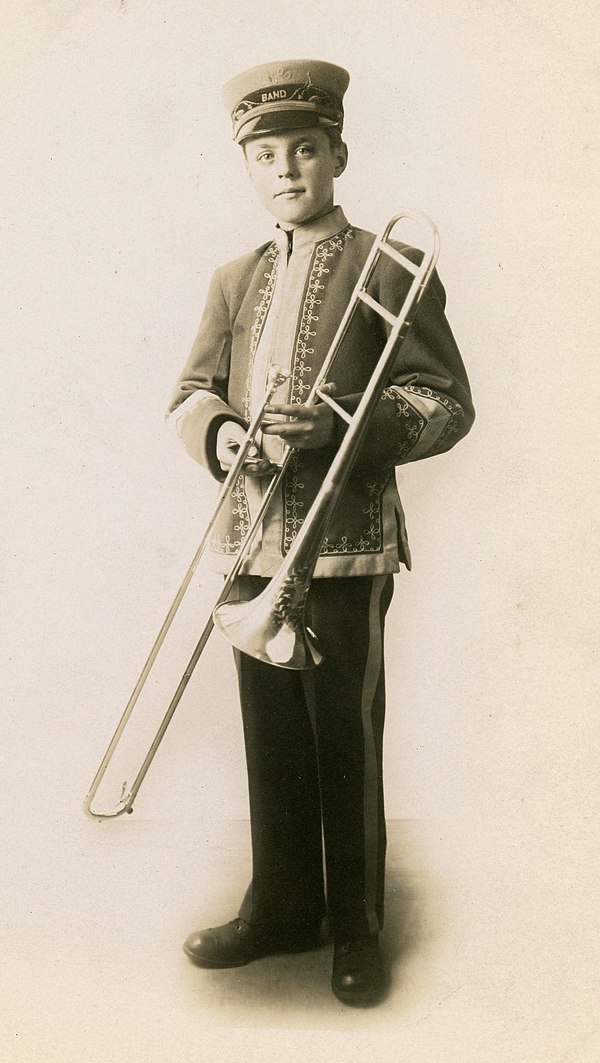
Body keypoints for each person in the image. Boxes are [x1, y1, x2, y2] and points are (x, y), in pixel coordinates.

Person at [167, 59, 475, 1006]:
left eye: (305, 149)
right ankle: (282, 907)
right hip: (248, 544)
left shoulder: (393, 266)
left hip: (344, 540)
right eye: (266, 154)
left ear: (338, 152)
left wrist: (348, 425)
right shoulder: (232, 278)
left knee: (343, 732)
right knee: (269, 737)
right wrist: (223, 435)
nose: (286, 168)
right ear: (247, 168)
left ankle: (355, 926)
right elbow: (190, 394)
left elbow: (445, 402)